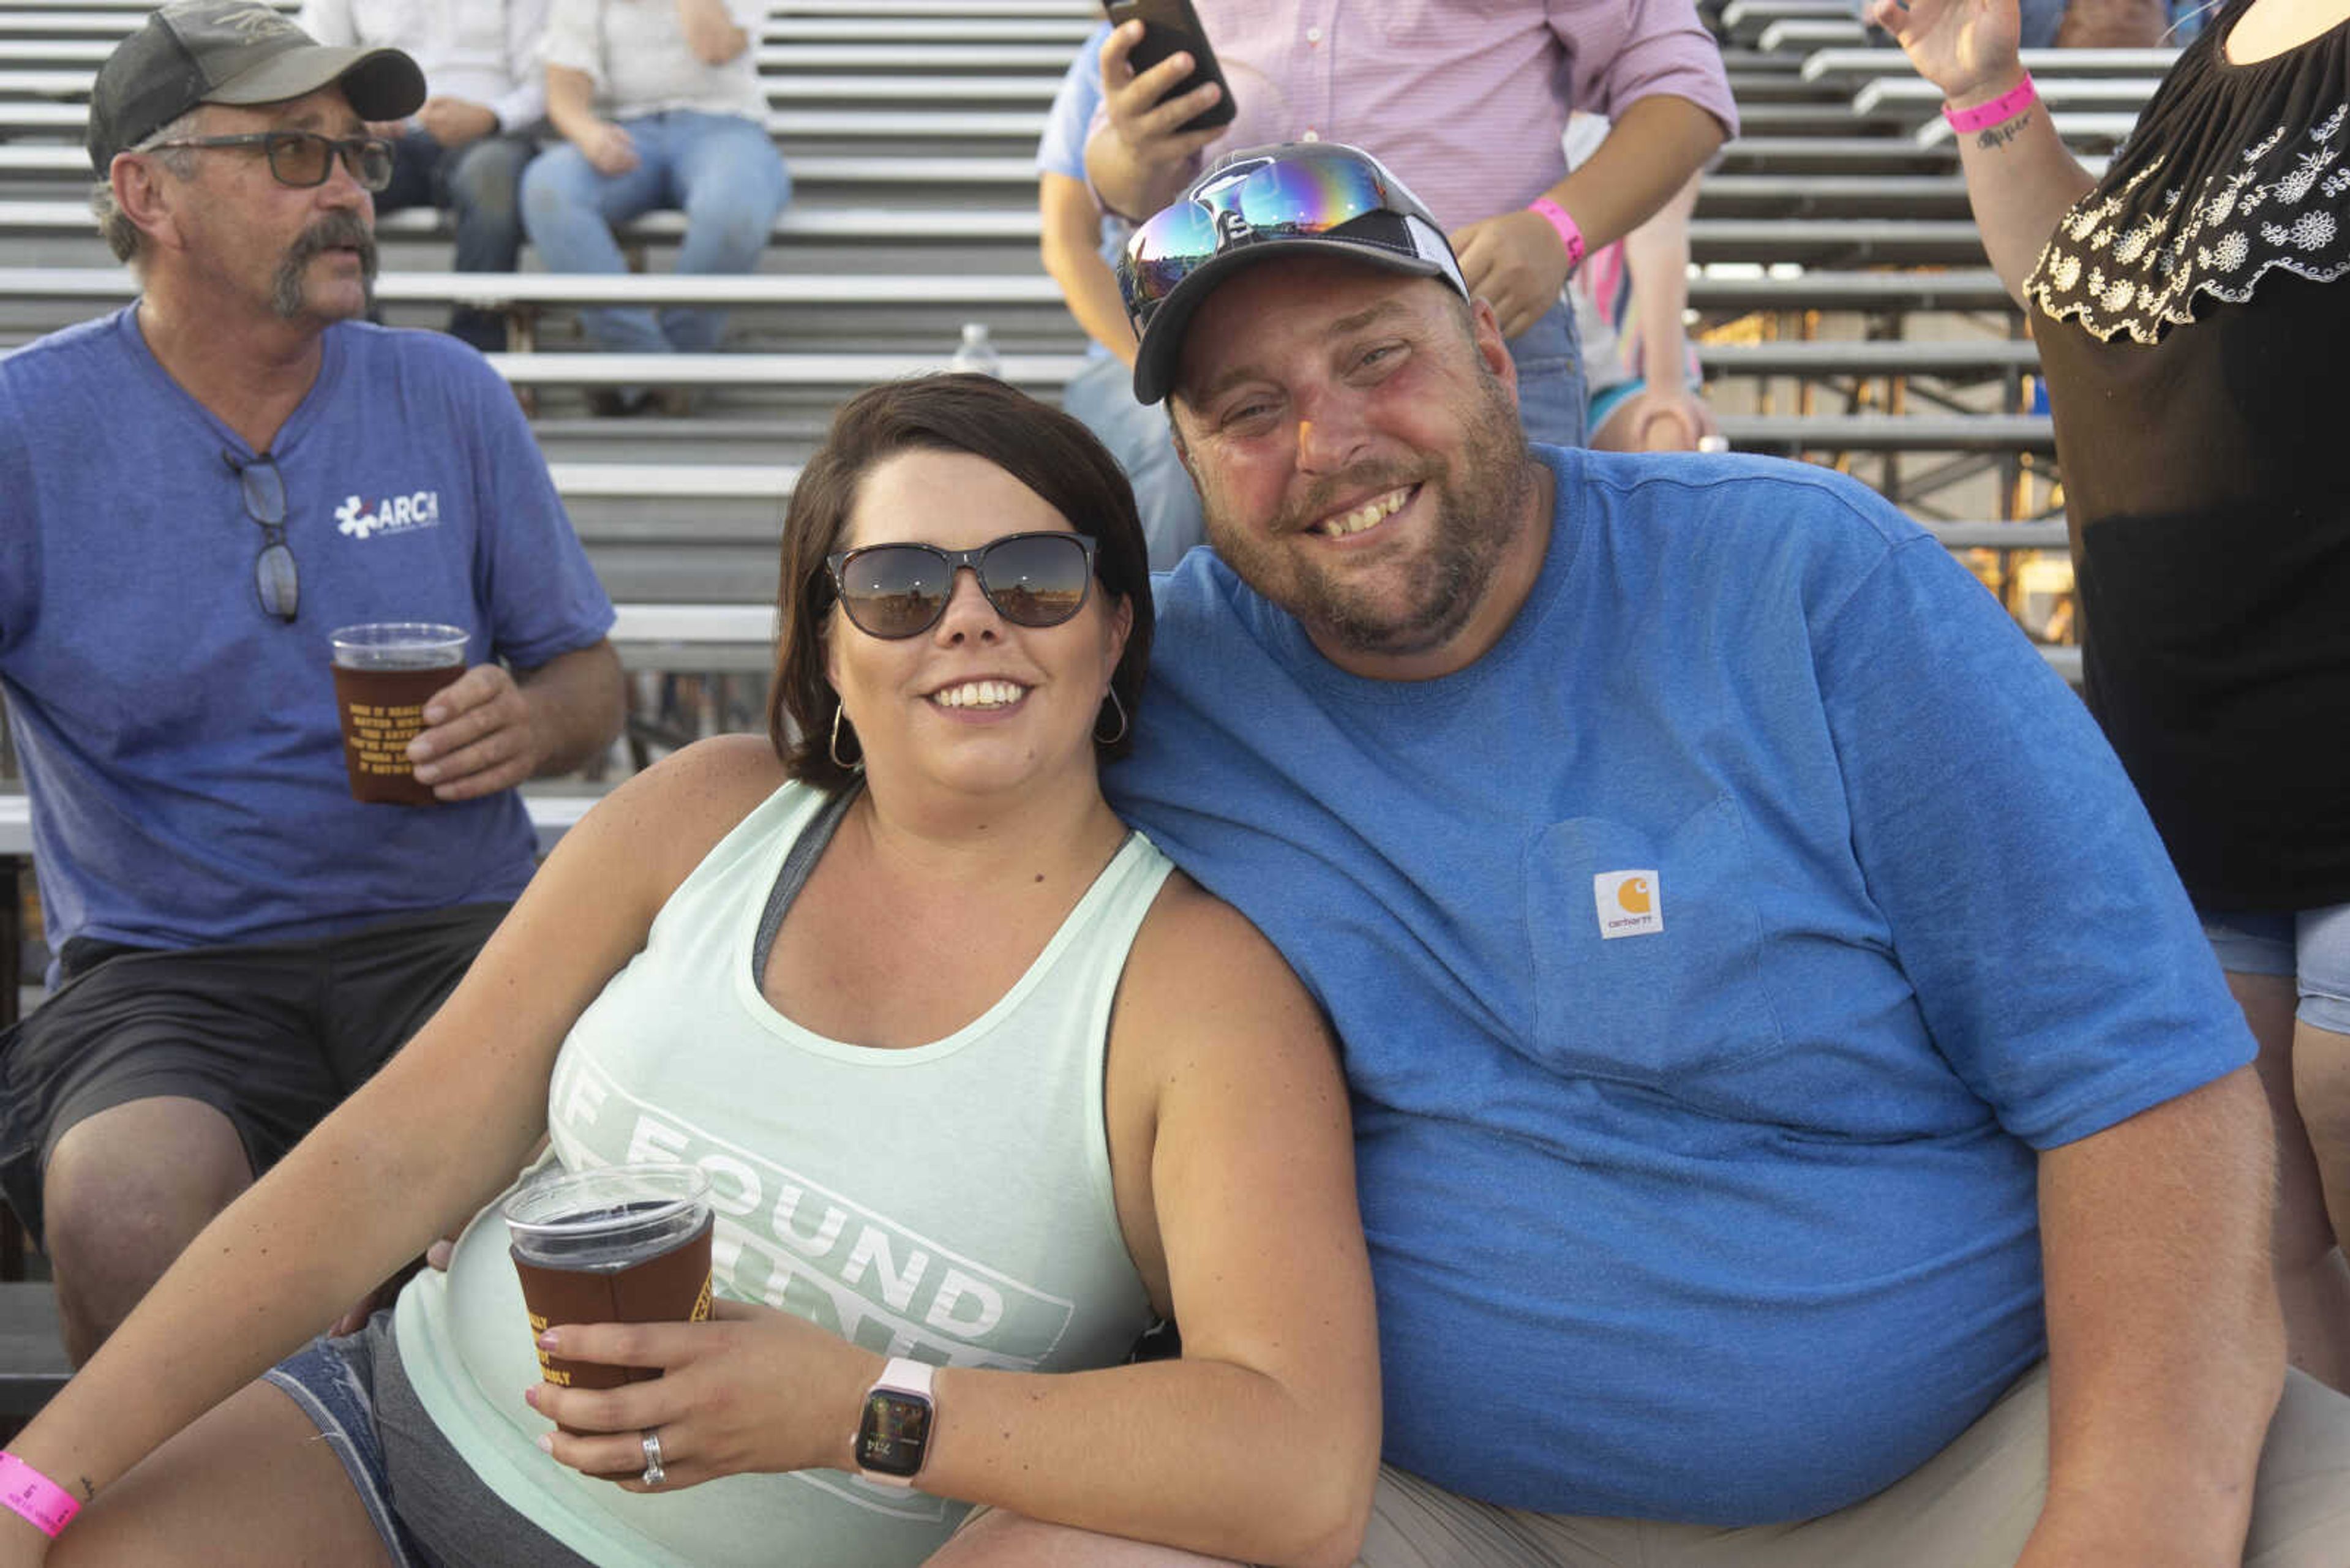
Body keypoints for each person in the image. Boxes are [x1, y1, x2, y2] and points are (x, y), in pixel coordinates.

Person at [964, 140, 2350, 1564]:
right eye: (1245, 409)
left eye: (1376, 357)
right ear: (1186, 466)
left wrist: (2125, 1523)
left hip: (1982, 1454)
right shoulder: (1159, 682)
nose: (1328, 443)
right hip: (1413, 1495)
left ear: (1497, 363)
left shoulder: (1807, 580)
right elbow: (881, 759)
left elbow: (2140, 1086)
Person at [0, 374, 1379, 1568]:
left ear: (1114, 626)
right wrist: (37, 1473)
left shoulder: (1195, 988)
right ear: (828, 646)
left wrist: (861, 1405)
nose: (968, 619)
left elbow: (1300, 1458)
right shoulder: (708, 813)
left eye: (1033, 575)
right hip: (392, 1435)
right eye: (898, 586)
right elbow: (393, 1152)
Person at [0, 1, 626, 1368]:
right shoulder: (27, 427)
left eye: (358, 156)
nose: (349, 191)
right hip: (169, 970)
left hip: (463, 941)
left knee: (618, 1183)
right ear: (143, 190)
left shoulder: (447, 391)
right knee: (121, 1199)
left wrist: (527, 719)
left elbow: (592, 682)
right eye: (294, 154)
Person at [1869, 0, 2350, 1395]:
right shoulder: (2228, 52)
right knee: (2251, 1234)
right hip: (2195, 767)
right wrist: (1984, 94)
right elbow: (2084, 291)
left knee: (2333, 1093)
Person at [1083, 0, 1739, 451]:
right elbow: (1118, 182)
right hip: (1240, 358)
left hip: (1478, 328)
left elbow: (1685, 91)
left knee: (1515, 637)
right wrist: (1135, 152)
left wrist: (1556, 230)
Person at [519, 0, 790, 412]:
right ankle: (653, 367)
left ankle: (654, 369)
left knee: (733, 206)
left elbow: (714, 46)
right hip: (624, 130)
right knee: (548, 186)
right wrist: (587, 133)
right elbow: (565, 88)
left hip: (723, 126)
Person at [1038, 21, 1206, 571]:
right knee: (1171, 441)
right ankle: (1147, 647)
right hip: (1136, 353)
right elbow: (1068, 244)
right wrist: (1155, 370)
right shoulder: (1108, 57)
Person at [296, 0, 552, 354]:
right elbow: (313, 62)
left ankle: (473, 350)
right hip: (379, 137)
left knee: (491, 178)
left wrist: (490, 116)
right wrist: (353, 112)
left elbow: (547, 81)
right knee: (335, 178)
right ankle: (362, 344)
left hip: (490, 138)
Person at [1561, 114, 1721, 454]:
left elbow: (1657, 237)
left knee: (1668, 435)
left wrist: (1665, 386)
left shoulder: (1655, 113)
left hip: (1624, 373)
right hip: (1534, 363)